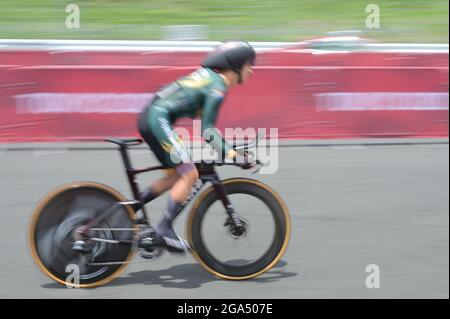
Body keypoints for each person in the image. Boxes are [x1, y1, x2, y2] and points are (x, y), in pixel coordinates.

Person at [136, 41, 257, 253]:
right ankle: (164, 228)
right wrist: (233, 155)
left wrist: (228, 149)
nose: (252, 69)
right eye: (249, 64)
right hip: (158, 118)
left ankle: (130, 209)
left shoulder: (210, 79)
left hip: (152, 116)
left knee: (177, 176)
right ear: (236, 64)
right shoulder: (217, 86)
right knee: (190, 172)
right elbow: (207, 131)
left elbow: (205, 127)